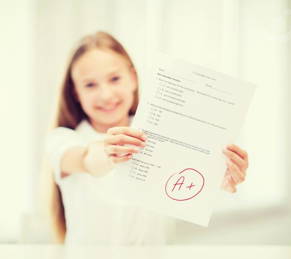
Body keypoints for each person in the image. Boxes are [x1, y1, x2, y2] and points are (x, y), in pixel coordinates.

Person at [45, 31, 249, 245]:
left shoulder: (165, 134)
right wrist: (109, 152)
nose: (106, 94)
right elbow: (87, 159)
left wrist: (218, 176)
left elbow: (187, 186)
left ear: (133, 79)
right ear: (76, 93)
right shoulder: (61, 141)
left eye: (114, 79)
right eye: (90, 85)